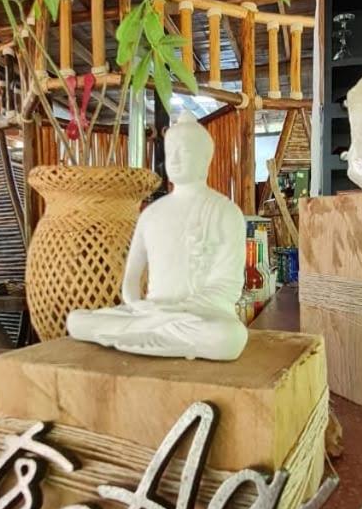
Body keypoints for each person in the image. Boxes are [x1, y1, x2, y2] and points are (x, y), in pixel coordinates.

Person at [66, 111, 248, 361]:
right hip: (150, 314)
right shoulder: (151, 214)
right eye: (170, 151)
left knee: (229, 337)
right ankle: (156, 338)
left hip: (199, 316)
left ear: (204, 158)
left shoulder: (226, 212)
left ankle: (141, 337)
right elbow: (131, 282)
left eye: (183, 151)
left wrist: (175, 311)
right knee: (76, 321)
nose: (174, 159)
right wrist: (139, 306)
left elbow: (227, 288)